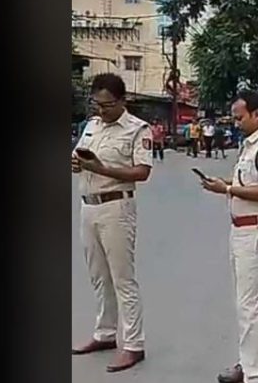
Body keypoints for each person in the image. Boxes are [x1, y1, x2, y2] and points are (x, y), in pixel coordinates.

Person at [200, 90, 258, 383]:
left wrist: (226, 190)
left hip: (257, 229)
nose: (235, 122)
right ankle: (248, 363)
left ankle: (256, 375)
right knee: (244, 303)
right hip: (241, 228)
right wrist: (224, 183)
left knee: (249, 305)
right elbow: (246, 183)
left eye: (239, 117)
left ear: (257, 115)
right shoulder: (251, 145)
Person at [71, 73, 152, 372]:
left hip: (116, 207)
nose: (101, 111)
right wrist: (78, 163)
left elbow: (142, 172)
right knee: (98, 276)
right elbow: (80, 157)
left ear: (122, 101)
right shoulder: (92, 126)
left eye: (106, 105)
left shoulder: (137, 129)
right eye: (97, 105)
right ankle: (105, 333)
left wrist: (102, 168)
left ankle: (133, 344)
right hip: (88, 206)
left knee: (122, 279)